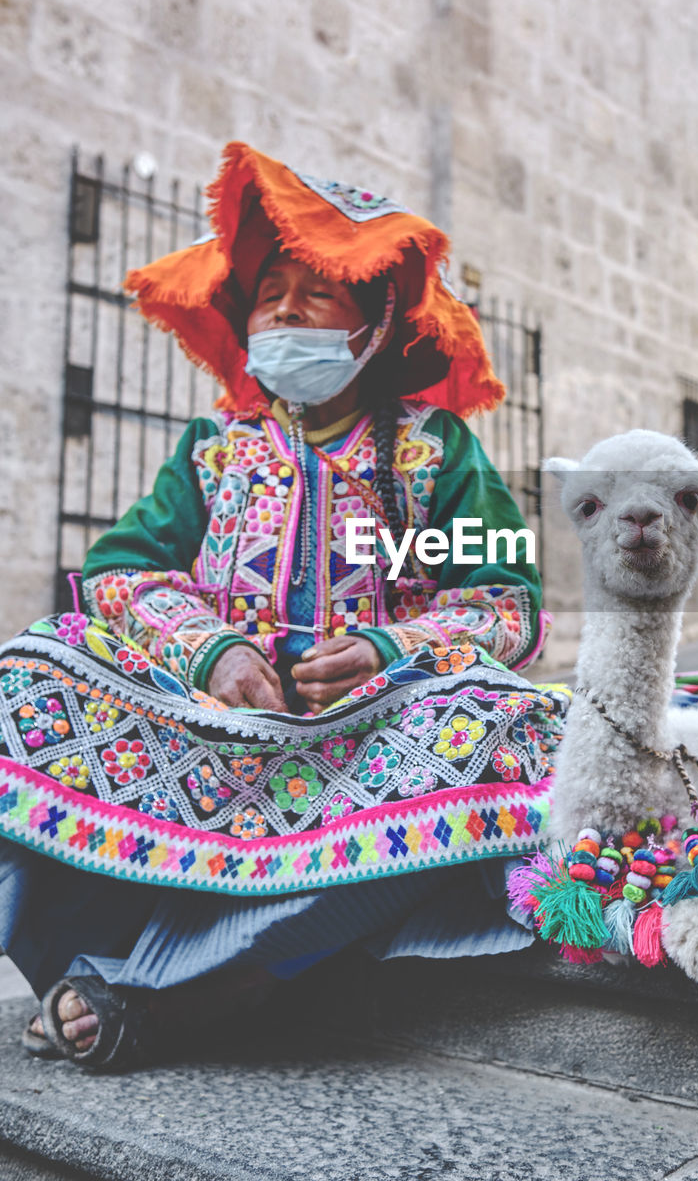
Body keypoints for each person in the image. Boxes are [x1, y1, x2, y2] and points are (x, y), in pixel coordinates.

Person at [0, 143, 567, 1069]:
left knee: (512, 729)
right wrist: (211, 651)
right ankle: (81, 968)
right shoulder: (213, 448)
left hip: (372, 745)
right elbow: (118, 575)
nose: (285, 310)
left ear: (374, 322)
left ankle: (211, 992)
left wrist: (392, 650)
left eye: (317, 292)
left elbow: (503, 601)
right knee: (28, 673)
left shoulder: (434, 452)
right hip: (203, 734)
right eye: (269, 292)